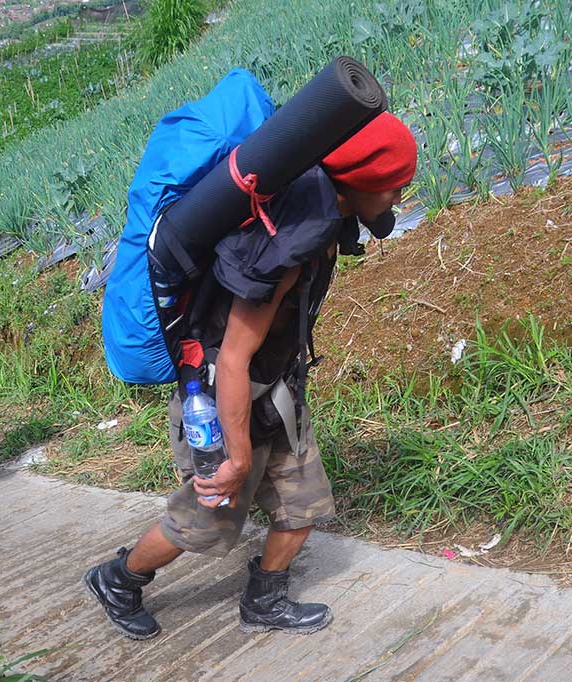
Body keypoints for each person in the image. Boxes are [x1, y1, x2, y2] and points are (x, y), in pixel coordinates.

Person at [84, 112, 417, 639]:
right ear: (364, 181)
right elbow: (235, 356)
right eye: (396, 186)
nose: (399, 198)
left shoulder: (325, 212)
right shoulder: (291, 240)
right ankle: (119, 578)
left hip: (276, 390)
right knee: (206, 523)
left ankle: (264, 599)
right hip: (222, 398)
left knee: (302, 503)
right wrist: (238, 458)